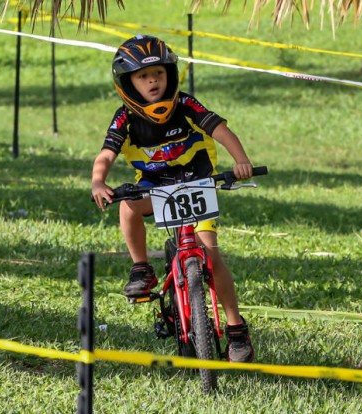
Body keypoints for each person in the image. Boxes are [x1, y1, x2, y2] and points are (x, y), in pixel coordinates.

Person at [91, 35, 255, 363]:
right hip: (155, 186)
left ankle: (236, 328)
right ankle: (141, 268)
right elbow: (106, 154)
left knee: (211, 254)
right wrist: (98, 181)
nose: (153, 80)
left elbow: (221, 130)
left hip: (197, 181)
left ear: (170, 74)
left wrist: (241, 160)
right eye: (143, 76)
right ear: (128, 83)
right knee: (128, 207)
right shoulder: (124, 117)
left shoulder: (186, 104)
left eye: (159, 73)